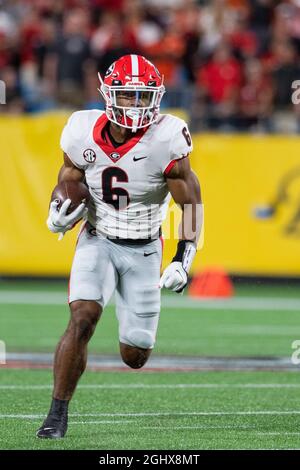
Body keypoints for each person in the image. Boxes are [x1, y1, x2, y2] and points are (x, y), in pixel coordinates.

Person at [36, 54, 202, 439]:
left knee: (136, 355)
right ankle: (56, 414)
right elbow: (68, 178)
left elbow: (190, 203)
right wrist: (58, 211)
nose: (137, 105)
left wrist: (183, 257)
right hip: (97, 239)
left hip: (145, 249)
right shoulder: (80, 129)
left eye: (144, 97)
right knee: (82, 319)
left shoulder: (168, 137)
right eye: (128, 96)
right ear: (109, 95)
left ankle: (133, 339)